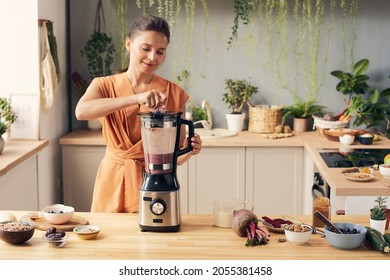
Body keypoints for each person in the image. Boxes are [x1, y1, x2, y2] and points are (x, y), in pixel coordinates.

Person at [75, 14, 202, 213]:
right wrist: (136, 98)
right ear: (129, 44)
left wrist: (188, 152)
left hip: (155, 181)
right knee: (108, 240)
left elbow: (175, 157)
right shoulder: (103, 85)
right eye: (146, 49)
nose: (153, 57)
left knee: (152, 239)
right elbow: (81, 111)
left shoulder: (175, 94)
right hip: (112, 178)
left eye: (160, 51)